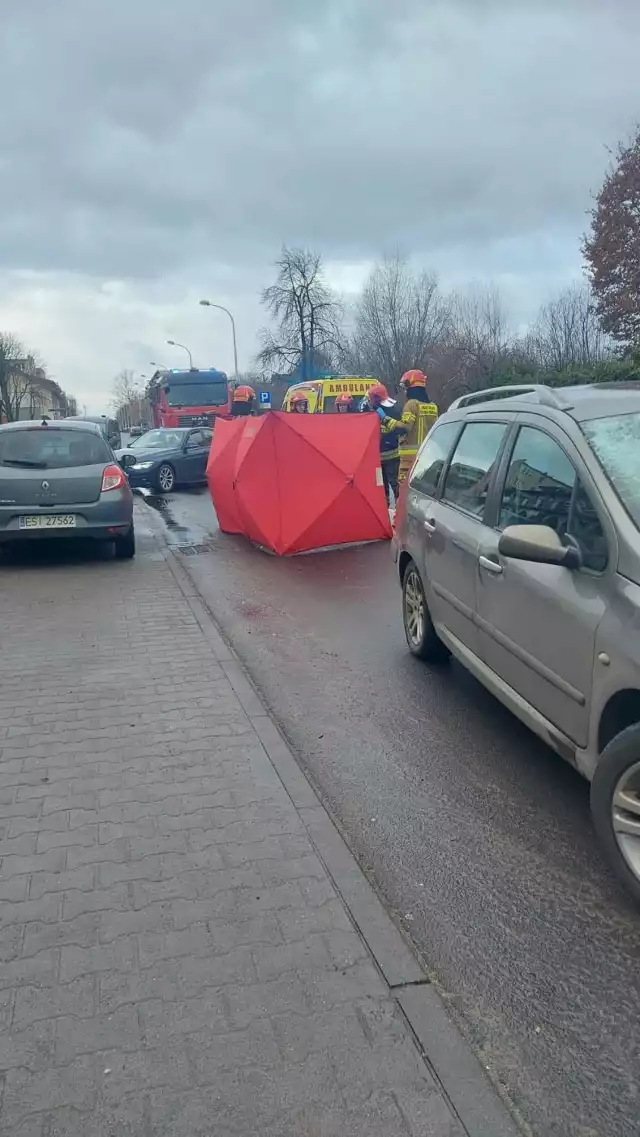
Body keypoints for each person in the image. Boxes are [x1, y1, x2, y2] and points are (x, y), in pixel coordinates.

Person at [362, 383, 405, 506]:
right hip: (378, 461)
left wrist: (384, 418)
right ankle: (385, 512)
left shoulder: (391, 410)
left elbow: (398, 429)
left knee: (393, 488)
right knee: (381, 490)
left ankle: (398, 512)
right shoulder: (369, 411)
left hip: (390, 457)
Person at [397, 370, 439, 482]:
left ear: (410, 386)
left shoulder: (411, 404)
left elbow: (405, 428)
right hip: (427, 455)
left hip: (410, 458)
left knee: (403, 490)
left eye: (405, 387)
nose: (404, 391)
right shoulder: (432, 406)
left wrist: (389, 422)